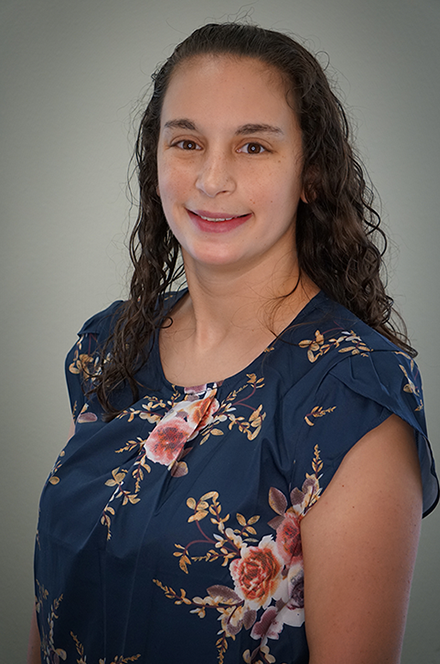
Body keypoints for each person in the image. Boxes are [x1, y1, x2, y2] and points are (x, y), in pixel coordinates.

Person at [28, 22, 438, 664]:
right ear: (155, 161)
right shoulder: (108, 347)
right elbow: (55, 607)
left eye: (254, 147)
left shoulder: (354, 397)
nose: (212, 179)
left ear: (311, 173)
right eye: (187, 141)